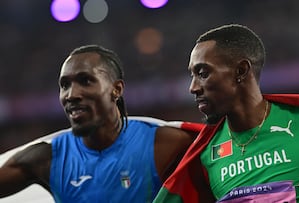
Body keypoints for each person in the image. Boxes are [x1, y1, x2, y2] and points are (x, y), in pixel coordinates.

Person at [154, 24, 299, 203]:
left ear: (241, 70)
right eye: (192, 75)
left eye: (203, 73)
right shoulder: (206, 153)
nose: (193, 87)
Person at [0, 44, 201, 202]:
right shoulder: (46, 159)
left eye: (85, 81)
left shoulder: (165, 144)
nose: (72, 94)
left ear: (117, 89)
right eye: (65, 85)